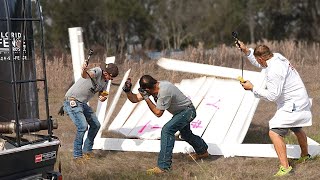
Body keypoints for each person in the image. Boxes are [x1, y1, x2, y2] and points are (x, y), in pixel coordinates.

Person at [236, 40, 312, 176]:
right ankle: (305, 155)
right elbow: (261, 64)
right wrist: (247, 51)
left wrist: (252, 88)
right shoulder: (276, 57)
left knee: (274, 131)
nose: (259, 63)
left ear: (261, 58)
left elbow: (272, 96)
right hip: (299, 99)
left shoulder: (274, 71)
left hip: (293, 103)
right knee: (296, 126)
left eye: (258, 60)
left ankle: (285, 167)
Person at [122, 75, 209, 175]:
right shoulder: (153, 88)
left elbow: (158, 113)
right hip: (181, 112)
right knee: (186, 134)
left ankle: (163, 167)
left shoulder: (164, 91)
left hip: (188, 111)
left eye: (145, 90)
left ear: (147, 88)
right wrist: (128, 91)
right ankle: (202, 152)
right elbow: (134, 99)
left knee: (167, 130)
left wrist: (146, 98)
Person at [63, 61, 118, 162]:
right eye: (111, 77)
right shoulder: (97, 71)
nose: (110, 79)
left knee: (96, 125)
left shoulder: (105, 81)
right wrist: (84, 70)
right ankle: (77, 156)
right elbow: (86, 75)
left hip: (82, 103)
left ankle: (87, 151)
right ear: (106, 73)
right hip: (72, 100)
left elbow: (103, 94)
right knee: (83, 126)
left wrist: (103, 97)